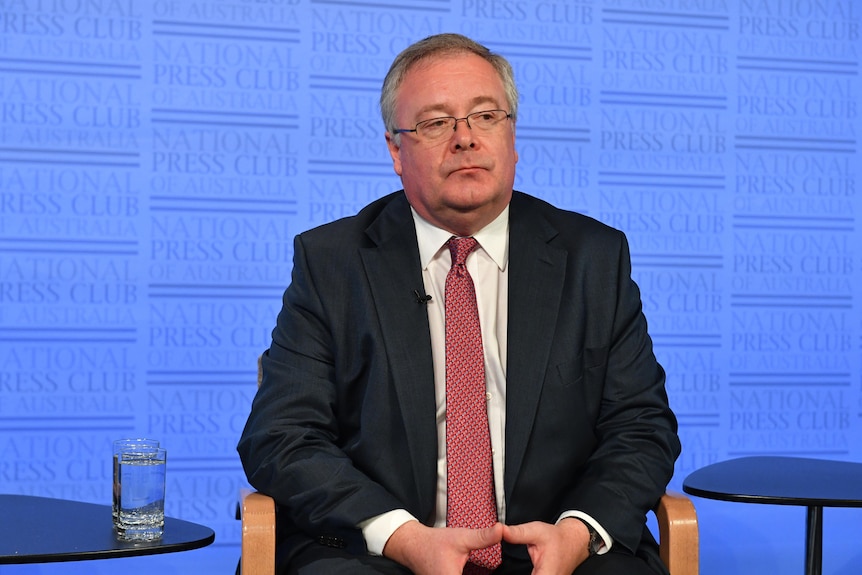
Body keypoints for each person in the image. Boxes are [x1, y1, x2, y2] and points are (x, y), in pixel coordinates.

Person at [238, 33, 680, 575]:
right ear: (396, 152)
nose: (465, 139)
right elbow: (280, 436)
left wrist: (578, 531)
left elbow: (641, 427)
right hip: (384, 551)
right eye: (435, 123)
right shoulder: (333, 263)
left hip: (552, 547)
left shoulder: (593, 258)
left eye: (485, 117)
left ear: (512, 137)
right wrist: (401, 536)